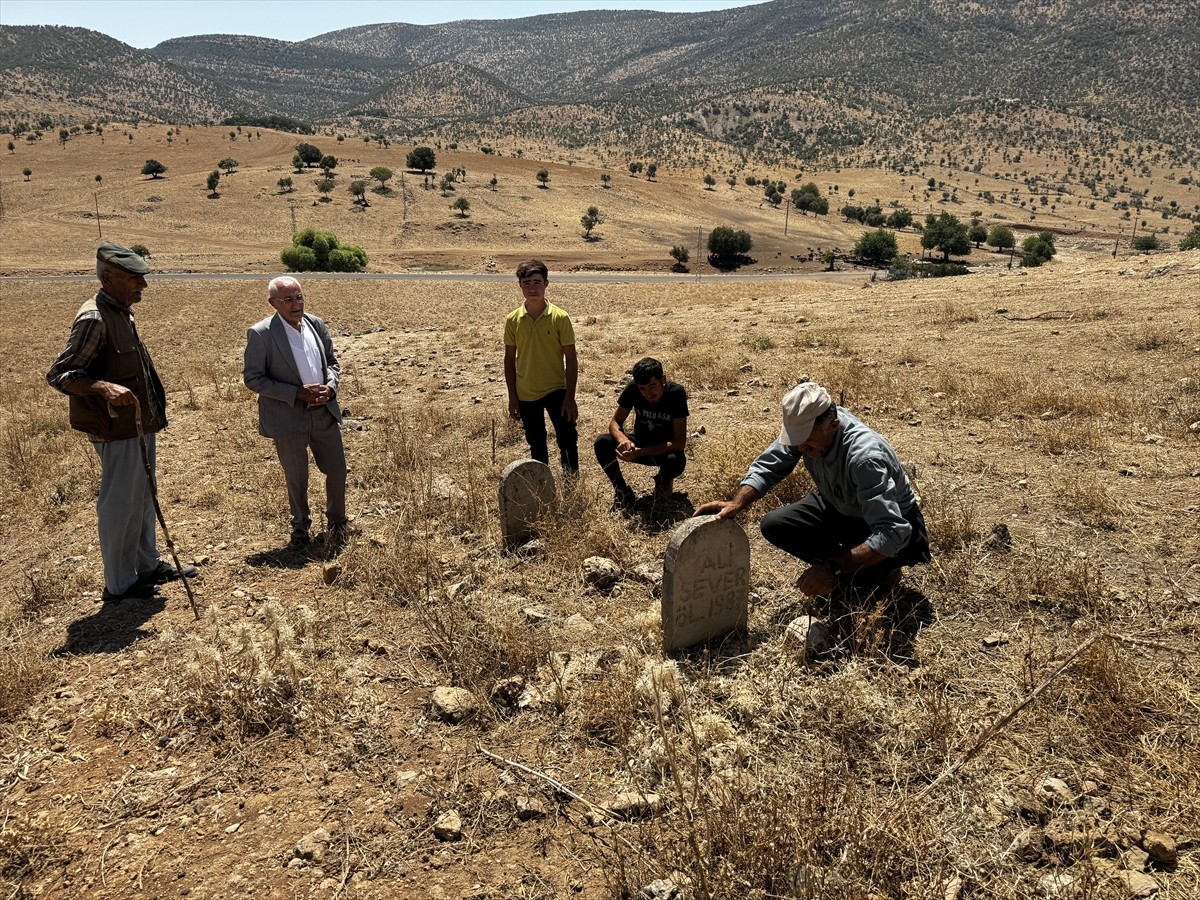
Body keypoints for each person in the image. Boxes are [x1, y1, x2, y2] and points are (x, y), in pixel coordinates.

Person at [695, 381, 932, 638]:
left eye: (807, 445)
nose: (800, 450)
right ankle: (853, 573)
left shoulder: (864, 458)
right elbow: (770, 464)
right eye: (797, 443)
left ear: (834, 425)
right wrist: (738, 502)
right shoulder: (807, 428)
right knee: (774, 524)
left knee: (864, 581)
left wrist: (832, 568)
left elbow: (892, 531)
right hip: (839, 505)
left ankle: (884, 572)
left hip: (890, 525)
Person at [47, 242, 196, 602]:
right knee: (120, 503)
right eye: (134, 279)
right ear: (108, 276)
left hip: (138, 424)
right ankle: (119, 583)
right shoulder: (94, 318)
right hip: (116, 429)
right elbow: (60, 374)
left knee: (144, 496)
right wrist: (101, 387)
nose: (143, 286)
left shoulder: (121, 310)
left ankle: (147, 564)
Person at [243, 276, 351, 547]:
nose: (296, 304)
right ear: (273, 303)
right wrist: (296, 393)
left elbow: (332, 363)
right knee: (297, 477)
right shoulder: (262, 333)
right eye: (288, 299)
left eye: (299, 297)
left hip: (323, 412)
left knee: (337, 469)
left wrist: (331, 387)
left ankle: (337, 523)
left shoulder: (316, 324)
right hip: (288, 418)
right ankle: (300, 529)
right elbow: (253, 379)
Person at [503, 259, 579, 473]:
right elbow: (509, 359)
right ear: (520, 285)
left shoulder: (560, 317)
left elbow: (571, 358)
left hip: (557, 390)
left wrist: (570, 397)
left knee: (567, 441)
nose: (532, 288)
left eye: (537, 282)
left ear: (546, 283)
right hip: (526, 393)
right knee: (536, 445)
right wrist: (512, 396)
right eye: (526, 283)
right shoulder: (513, 320)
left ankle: (571, 487)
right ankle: (543, 491)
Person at [594, 357, 688, 509]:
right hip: (640, 443)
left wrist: (641, 452)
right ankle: (621, 491)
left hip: (664, 449)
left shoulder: (675, 393)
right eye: (642, 388)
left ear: (663, 379)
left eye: (652, 386)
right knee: (602, 442)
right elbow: (615, 423)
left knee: (675, 462)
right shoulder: (633, 389)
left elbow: (679, 442)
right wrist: (623, 440)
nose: (648, 393)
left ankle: (663, 482)